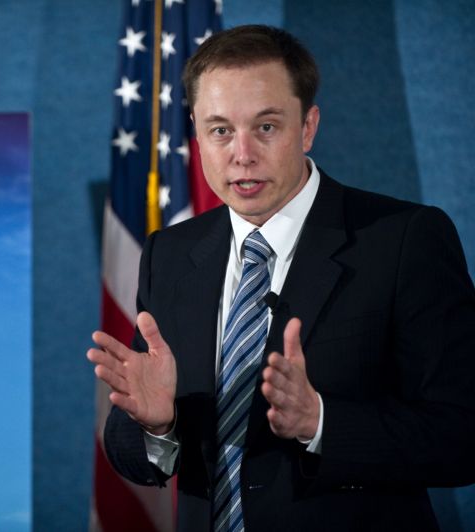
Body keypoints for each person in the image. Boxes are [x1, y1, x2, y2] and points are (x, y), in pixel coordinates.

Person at [86, 24, 475, 532]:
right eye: (220, 130)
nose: (241, 153)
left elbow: (462, 435)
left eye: (266, 127)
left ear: (307, 127)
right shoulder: (171, 254)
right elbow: (132, 450)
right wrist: (157, 426)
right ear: (197, 134)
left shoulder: (403, 240)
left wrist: (320, 423)